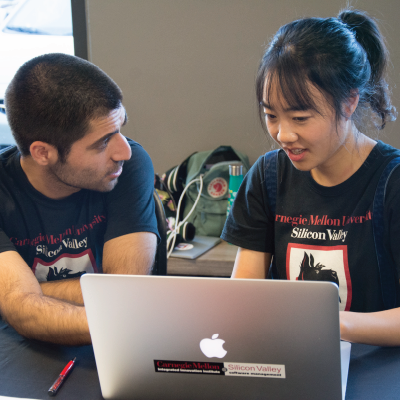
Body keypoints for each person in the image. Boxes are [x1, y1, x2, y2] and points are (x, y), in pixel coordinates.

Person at [221, 9, 400, 346]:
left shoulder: (392, 181)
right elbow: (243, 295)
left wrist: (333, 325)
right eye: (271, 115)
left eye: (300, 118)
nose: (282, 134)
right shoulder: (269, 176)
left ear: (348, 103)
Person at [0, 53, 159, 345]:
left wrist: (26, 295)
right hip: (16, 353)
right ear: (43, 153)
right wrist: (18, 302)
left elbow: (124, 292)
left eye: (120, 128)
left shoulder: (128, 166)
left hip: (109, 350)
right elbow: (21, 311)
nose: (123, 152)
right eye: (101, 143)